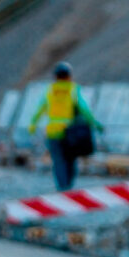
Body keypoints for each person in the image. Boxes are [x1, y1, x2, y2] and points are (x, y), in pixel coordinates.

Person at [28, 61, 99, 192]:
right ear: (69, 75)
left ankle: (62, 188)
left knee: (58, 161)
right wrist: (95, 123)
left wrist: (32, 125)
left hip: (53, 132)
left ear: (55, 76)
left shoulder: (50, 90)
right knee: (71, 161)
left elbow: (40, 109)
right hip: (70, 133)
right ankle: (68, 188)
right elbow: (84, 108)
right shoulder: (73, 89)